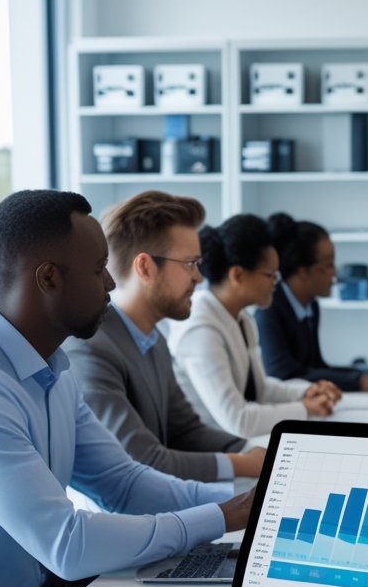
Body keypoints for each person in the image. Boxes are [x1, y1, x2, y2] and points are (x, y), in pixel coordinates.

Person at [0, 189, 255, 587]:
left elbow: (122, 483)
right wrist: (218, 517)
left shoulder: (55, 367)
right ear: (48, 278)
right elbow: (67, 543)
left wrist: (246, 504)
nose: (109, 282)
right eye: (98, 268)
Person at [64, 190, 265, 482]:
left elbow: (186, 431)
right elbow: (141, 461)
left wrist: (255, 452)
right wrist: (244, 464)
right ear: (145, 267)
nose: (199, 277)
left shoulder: (152, 339)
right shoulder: (91, 349)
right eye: (189, 263)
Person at [168, 214, 340, 438]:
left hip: (236, 442)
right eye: (270, 275)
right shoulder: (200, 330)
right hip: (211, 451)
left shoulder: (241, 318)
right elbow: (238, 419)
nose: (275, 284)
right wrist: (305, 409)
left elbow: (261, 389)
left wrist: (306, 391)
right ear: (237, 275)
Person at [256, 211, 368, 392]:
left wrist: (365, 376)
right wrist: (359, 381)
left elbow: (316, 366)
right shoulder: (269, 309)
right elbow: (283, 374)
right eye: (328, 265)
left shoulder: (311, 306)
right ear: (303, 272)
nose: (335, 273)